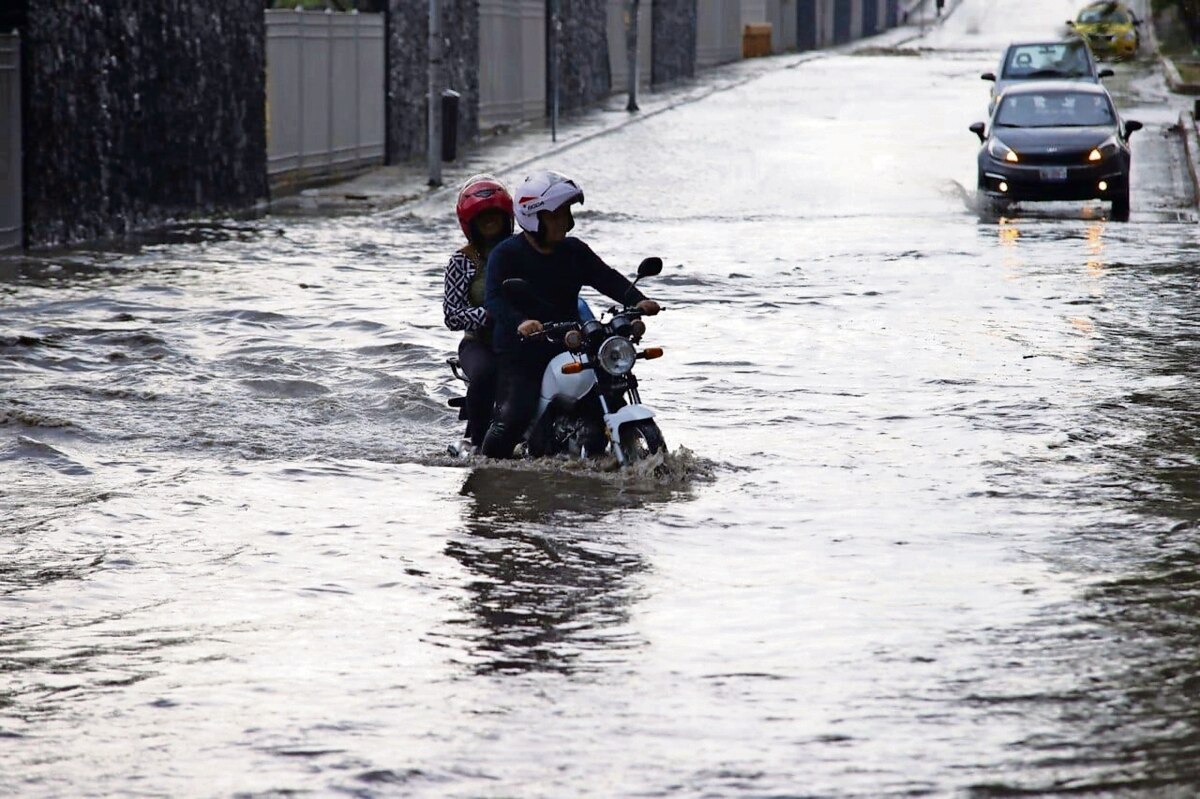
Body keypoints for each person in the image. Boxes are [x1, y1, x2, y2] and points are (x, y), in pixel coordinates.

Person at [480, 170, 661, 459]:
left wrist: (639, 300)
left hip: (569, 340)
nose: (565, 220)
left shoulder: (574, 250)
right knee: (515, 415)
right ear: (533, 216)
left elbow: (607, 278)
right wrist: (521, 323)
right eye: (557, 214)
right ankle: (485, 468)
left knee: (610, 389)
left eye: (566, 212)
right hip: (522, 348)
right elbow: (494, 299)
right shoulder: (507, 254)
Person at [443, 174, 514, 451]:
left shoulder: (522, 251)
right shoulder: (462, 261)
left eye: (494, 215)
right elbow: (451, 314)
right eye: (482, 218)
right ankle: (482, 444)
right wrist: (488, 314)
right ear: (470, 224)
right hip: (479, 342)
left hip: (524, 339)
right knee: (484, 374)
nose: (489, 222)